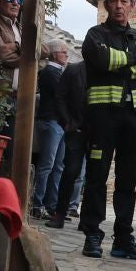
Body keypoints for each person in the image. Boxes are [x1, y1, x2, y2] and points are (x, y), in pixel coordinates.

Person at [77, 0, 136, 260]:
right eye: (114, 1)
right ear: (106, 5)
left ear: (132, 5)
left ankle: (123, 238)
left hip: (134, 117)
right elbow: (99, 59)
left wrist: (117, 63)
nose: (119, 6)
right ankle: (92, 235)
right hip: (103, 116)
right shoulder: (95, 34)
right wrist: (133, 59)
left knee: (128, 179)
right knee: (97, 176)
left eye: (124, 1)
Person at [47, 57, 89, 228]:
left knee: (96, 175)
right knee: (70, 171)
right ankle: (59, 214)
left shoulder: (106, 71)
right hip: (75, 130)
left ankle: (88, 220)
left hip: (98, 131)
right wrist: (68, 122)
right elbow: (60, 97)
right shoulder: (73, 70)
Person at [30, 45, 70, 217]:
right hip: (51, 121)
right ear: (54, 54)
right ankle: (37, 205)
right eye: (63, 52)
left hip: (59, 123)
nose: (67, 55)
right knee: (47, 164)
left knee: (58, 166)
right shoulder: (49, 72)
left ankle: (52, 205)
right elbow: (64, 93)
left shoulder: (58, 72)